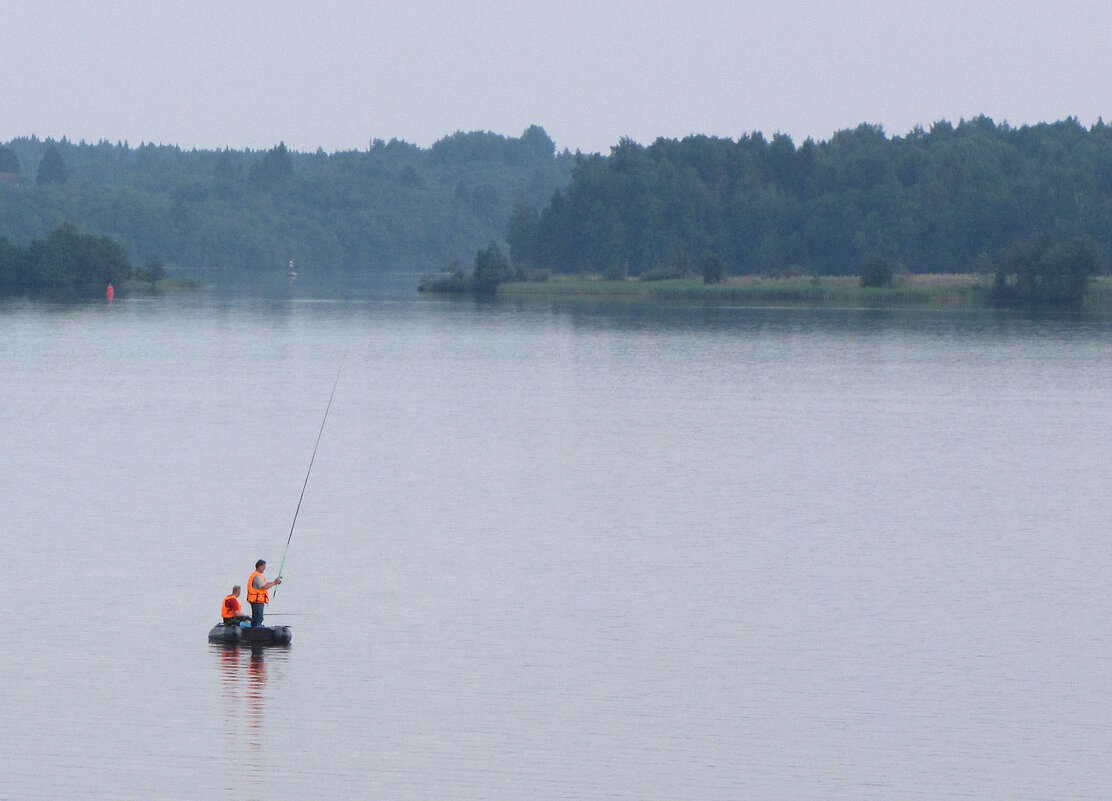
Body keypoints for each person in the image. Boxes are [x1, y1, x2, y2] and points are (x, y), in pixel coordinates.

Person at [246, 559, 282, 628]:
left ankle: (255, 627)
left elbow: (265, 584)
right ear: (259, 566)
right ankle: (255, 629)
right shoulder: (257, 577)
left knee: (258, 617)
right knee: (258, 617)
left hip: (257, 600)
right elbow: (264, 586)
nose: (264, 569)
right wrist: (275, 583)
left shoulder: (258, 576)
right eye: (263, 567)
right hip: (257, 601)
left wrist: (274, 582)